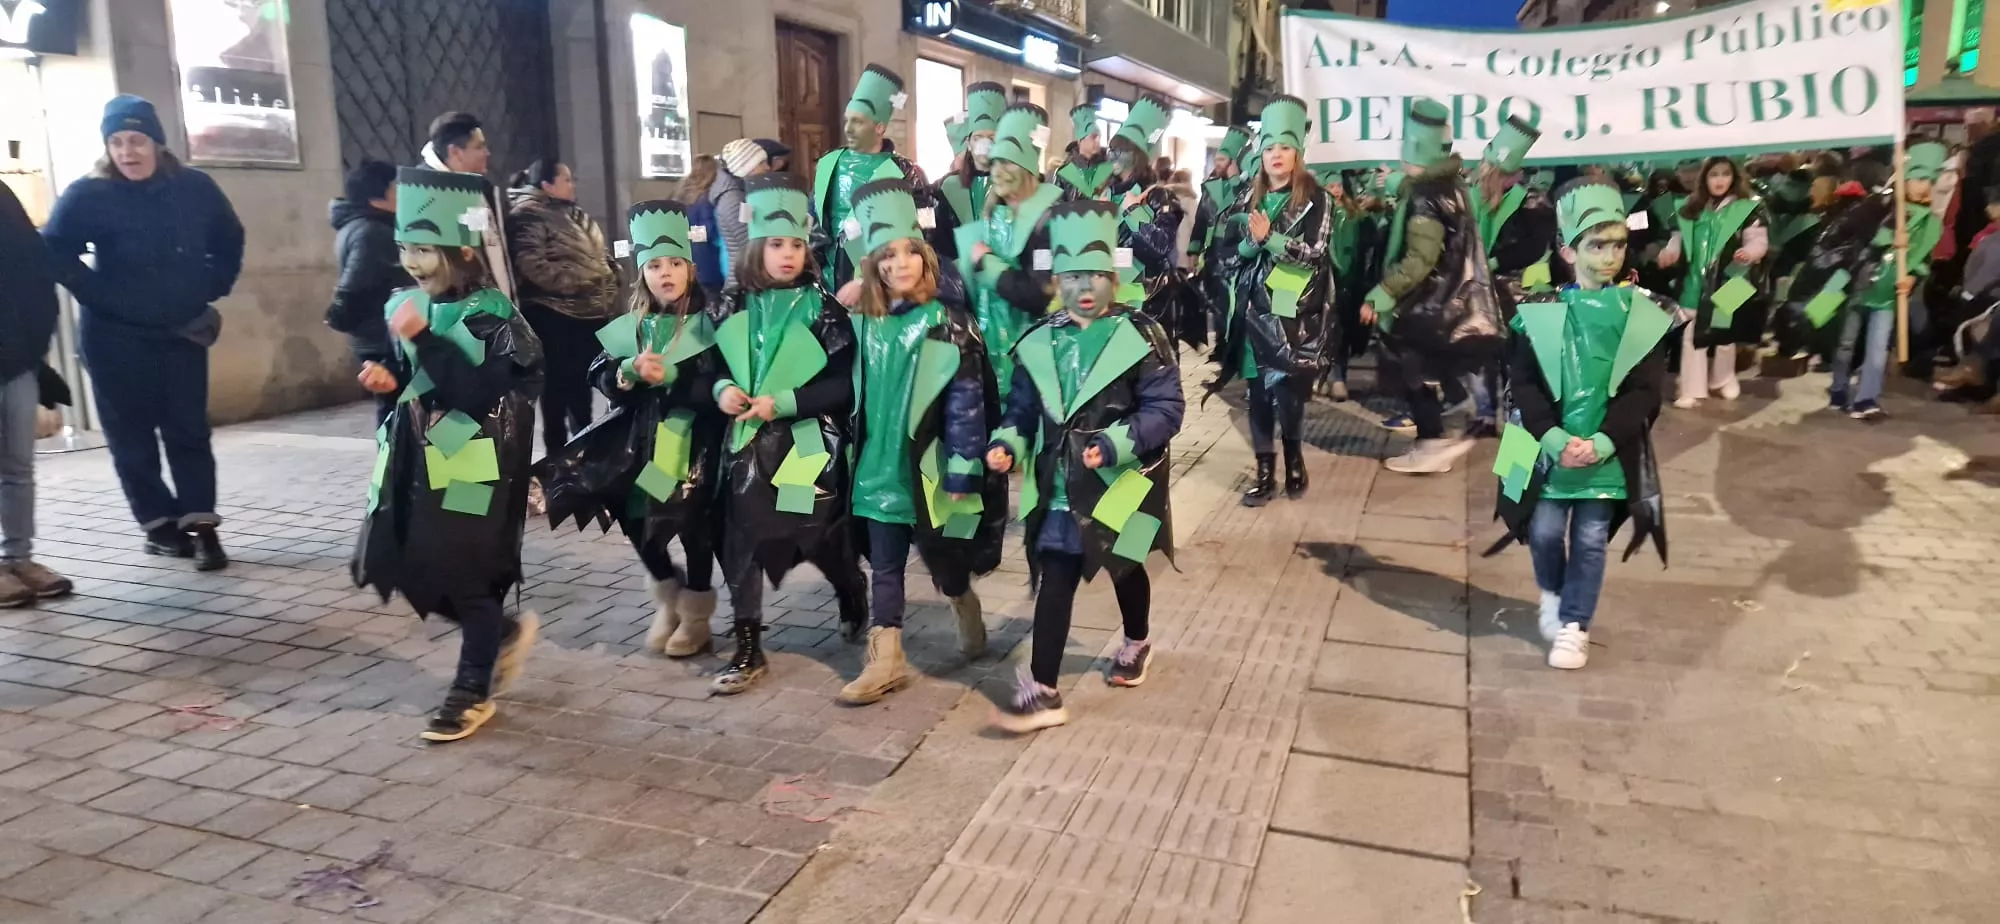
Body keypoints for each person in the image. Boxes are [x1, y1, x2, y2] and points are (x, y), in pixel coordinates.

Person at [351, 166, 545, 741]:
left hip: (471, 461)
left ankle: (470, 689)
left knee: (465, 576)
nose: (412, 261)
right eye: (406, 247)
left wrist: (421, 339)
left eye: (426, 250)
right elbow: (418, 376)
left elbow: (476, 392)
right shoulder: (410, 304)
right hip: (415, 457)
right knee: (410, 566)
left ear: (461, 251)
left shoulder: (492, 313)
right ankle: (501, 635)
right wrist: (388, 377)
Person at [986, 200, 1185, 732]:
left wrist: (1117, 443)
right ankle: (1045, 689)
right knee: (1057, 575)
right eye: (1073, 275)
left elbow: (1167, 410)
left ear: (1115, 274)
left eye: (1097, 273)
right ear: (1057, 278)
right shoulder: (1041, 339)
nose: (1086, 287)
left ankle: (1137, 639)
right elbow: (1022, 409)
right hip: (1058, 487)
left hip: (1121, 482)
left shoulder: (1142, 336)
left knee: (1126, 566)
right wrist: (1007, 442)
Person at [41, 95, 244, 570]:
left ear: (157, 143)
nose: (127, 152)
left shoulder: (195, 188)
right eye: (116, 142)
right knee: (132, 436)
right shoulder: (88, 194)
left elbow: (229, 238)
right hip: (114, 337)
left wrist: (212, 284)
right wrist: (96, 292)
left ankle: (202, 525)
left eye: (136, 140)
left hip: (181, 332)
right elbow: (53, 250)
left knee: (188, 431)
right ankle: (158, 525)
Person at [1486, 179, 1675, 671]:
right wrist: (1551, 437)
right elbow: (1522, 384)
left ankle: (1574, 624)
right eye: (1596, 245)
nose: (1609, 256)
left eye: (1617, 245)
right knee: (1545, 531)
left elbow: (1646, 390)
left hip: (1605, 457)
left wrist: (1605, 442)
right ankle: (1552, 594)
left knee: (1590, 539)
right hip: (1547, 452)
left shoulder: (1644, 313)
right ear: (1568, 250)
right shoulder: (1538, 311)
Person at [837, 179, 1008, 705]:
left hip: (931, 465)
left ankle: (962, 601)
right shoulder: (861, 323)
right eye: (886, 256)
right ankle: (887, 657)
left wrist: (962, 469)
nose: (899, 264)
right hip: (877, 465)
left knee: (945, 561)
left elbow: (965, 405)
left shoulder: (949, 324)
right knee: (885, 564)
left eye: (909, 253)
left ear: (926, 258)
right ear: (872, 264)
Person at [537, 200, 724, 657]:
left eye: (675, 263)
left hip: (695, 445)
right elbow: (600, 372)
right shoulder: (632, 325)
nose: (666, 273)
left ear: (690, 269)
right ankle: (667, 590)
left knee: (693, 527)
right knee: (636, 519)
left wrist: (679, 379)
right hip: (639, 443)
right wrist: (624, 374)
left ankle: (697, 614)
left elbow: (721, 382)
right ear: (642, 273)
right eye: (655, 265)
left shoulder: (712, 322)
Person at [710, 172, 870, 694]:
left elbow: (844, 385)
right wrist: (722, 390)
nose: (786, 255)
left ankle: (850, 587)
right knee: (743, 540)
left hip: (806, 443)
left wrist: (787, 401)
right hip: (745, 445)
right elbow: (713, 365)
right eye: (776, 244)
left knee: (814, 533)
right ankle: (749, 645)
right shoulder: (733, 306)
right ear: (756, 246)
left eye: (796, 245)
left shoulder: (824, 310)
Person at [1361, 99, 1504, 474]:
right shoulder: (1452, 185)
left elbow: (1419, 259)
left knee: (1412, 370)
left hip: (1428, 302)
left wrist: (1382, 293)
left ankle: (1432, 443)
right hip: (1449, 300)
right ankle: (1440, 432)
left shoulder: (1425, 196)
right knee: (1424, 370)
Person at [1208, 96, 1335, 505]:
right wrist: (1249, 246)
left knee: (1287, 391)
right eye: (1268, 148)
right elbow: (1226, 252)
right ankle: (1265, 470)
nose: (1275, 155)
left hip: (1291, 312)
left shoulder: (1319, 199)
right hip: (1249, 309)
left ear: (1297, 151)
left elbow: (1316, 251)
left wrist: (1271, 240)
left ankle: (1294, 457)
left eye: (1283, 147)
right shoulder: (1248, 197)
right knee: (1257, 392)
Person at [1818, 141, 1947, 420]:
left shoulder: (1930, 223)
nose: (1924, 186)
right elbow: (1852, 238)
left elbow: (1924, 258)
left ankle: (1866, 398)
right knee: (1845, 343)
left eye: (1930, 180)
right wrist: (1888, 238)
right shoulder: (1877, 207)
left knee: (1877, 350)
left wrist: (1912, 276)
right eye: (1919, 178)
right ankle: (1839, 388)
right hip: (1856, 286)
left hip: (1887, 294)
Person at [507, 158, 621, 455]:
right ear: (547, 184)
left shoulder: (573, 212)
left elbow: (598, 254)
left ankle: (585, 448)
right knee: (558, 390)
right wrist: (580, 281)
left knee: (583, 386)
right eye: (567, 179)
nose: (573, 184)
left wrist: (611, 273)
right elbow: (531, 263)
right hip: (555, 316)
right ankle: (558, 457)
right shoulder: (528, 215)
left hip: (588, 314)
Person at [0, 181, 73, 607]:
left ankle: (20, 558)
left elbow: (34, 269)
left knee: (18, 467)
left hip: (16, 361)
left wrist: (34, 344)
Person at [962, 103, 1062, 402]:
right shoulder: (995, 212)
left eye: (1008, 163)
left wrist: (986, 264)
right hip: (991, 351)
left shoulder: (1048, 217)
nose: (997, 172)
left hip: (1033, 353)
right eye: (995, 163)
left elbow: (1039, 295)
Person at [809, 65, 936, 290]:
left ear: (879, 127)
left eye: (857, 121)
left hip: (882, 280)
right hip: (827, 278)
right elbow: (813, 217)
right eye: (847, 120)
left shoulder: (907, 172)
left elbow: (925, 229)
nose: (848, 128)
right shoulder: (828, 164)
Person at [1657, 156, 1768, 408]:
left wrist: (1750, 252)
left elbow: (1758, 239)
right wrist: (1670, 252)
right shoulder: (1688, 207)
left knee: (1725, 334)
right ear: (1704, 177)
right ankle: (1691, 388)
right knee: (1690, 336)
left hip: (1732, 279)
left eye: (1725, 174)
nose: (1719, 180)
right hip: (1693, 281)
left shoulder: (1749, 207)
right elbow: (1677, 238)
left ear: (1734, 177)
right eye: (1713, 174)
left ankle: (1723, 378)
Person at [327, 159, 412, 427]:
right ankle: (394, 466)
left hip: (377, 334)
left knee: (394, 407)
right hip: (382, 337)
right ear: (379, 195)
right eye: (396, 187)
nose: (401, 193)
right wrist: (339, 314)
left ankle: (397, 464)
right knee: (394, 410)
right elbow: (355, 284)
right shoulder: (373, 231)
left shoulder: (360, 225)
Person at [1106, 97, 1189, 343]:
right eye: (1112, 149)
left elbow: (1161, 246)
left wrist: (1133, 213)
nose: (1113, 157)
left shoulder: (1159, 196)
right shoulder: (1104, 193)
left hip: (1149, 302)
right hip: (1109, 298)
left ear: (1137, 156)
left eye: (1121, 151)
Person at [421, 111, 514, 303]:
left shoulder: (478, 188)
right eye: (479, 147)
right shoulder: (425, 194)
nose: (487, 153)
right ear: (455, 152)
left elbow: (483, 245)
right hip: (459, 316)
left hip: (495, 309)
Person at [1188, 125, 1253, 348]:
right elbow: (1200, 220)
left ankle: (1229, 345)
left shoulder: (1245, 187)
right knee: (1214, 298)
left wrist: (1237, 180)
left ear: (1233, 162)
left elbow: (1247, 205)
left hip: (1234, 247)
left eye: (1223, 159)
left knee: (1231, 299)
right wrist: (1193, 251)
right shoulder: (1209, 187)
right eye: (1217, 158)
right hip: (1212, 249)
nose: (1218, 163)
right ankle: (1219, 344)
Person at [931, 82, 1008, 261]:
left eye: (991, 138)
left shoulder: (1012, 184)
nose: (984, 144)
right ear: (969, 143)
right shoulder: (948, 187)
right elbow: (941, 241)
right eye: (978, 137)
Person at [713, 139, 771, 292]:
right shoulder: (733, 199)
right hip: (742, 283)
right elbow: (748, 243)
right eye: (762, 163)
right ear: (747, 167)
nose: (767, 168)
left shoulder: (740, 194)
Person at [677, 154, 727, 293]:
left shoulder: (681, 196)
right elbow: (710, 231)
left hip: (687, 258)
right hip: (708, 260)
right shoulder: (706, 199)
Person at [1054, 103, 1114, 201]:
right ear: (1080, 140)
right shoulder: (1064, 173)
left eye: (1099, 136)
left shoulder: (1108, 169)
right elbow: (1057, 208)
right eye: (1094, 137)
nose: (1098, 141)